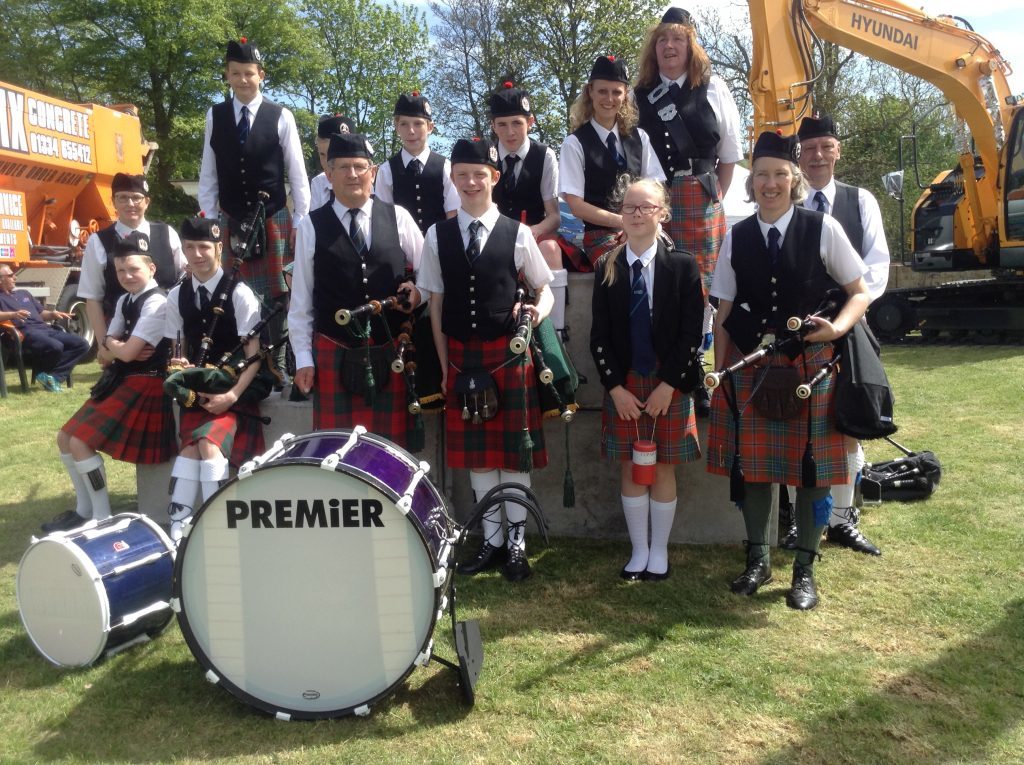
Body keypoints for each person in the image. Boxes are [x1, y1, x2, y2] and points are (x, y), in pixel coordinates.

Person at [707, 132, 870, 610]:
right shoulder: (735, 236)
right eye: (761, 175)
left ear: (794, 178)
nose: (770, 183)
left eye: (779, 174)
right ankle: (757, 559)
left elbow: (859, 290)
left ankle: (804, 569)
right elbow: (723, 311)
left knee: (814, 473)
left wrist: (836, 328)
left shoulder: (822, 227)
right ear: (750, 181)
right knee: (754, 471)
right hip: (753, 368)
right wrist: (721, 374)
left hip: (810, 366)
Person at [417, 137, 553, 582]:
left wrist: (536, 312)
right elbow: (435, 303)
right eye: (462, 175)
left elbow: (544, 287)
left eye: (479, 174)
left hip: (506, 355)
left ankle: (516, 543)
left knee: (513, 456)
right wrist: (442, 365)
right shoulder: (436, 235)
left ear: (494, 178)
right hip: (460, 356)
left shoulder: (518, 233)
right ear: (452, 180)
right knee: (479, 458)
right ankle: (491, 541)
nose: (471, 182)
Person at [590, 178, 704, 580]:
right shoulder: (609, 266)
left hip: (667, 383)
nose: (637, 214)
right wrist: (615, 389)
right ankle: (638, 551)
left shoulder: (684, 265)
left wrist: (669, 385)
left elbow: (693, 333)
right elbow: (599, 336)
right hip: (626, 384)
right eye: (629, 208)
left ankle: (660, 552)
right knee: (630, 466)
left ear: (663, 213)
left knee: (664, 467)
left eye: (646, 207)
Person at [633, 7, 744, 415]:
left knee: (704, 289)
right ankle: (667, 366)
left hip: (700, 197)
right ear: (654, 48)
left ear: (690, 46)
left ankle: (699, 370)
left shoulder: (714, 89)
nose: (669, 46)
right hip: (655, 196)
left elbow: (729, 155)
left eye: (677, 39)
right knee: (661, 283)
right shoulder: (638, 94)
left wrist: (715, 197)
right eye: (662, 39)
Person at [289, 132, 424, 446]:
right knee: (334, 452)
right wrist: (303, 359)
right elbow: (300, 302)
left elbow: (431, 278)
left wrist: (417, 293)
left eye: (360, 167)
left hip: (390, 349)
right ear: (329, 175)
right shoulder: (311, 225)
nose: (353, 174)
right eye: (343, 167)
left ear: (373, 172)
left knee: (390, 452)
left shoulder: (399, 218)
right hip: (332, 351)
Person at [797, 113, 890, 556]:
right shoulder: (785, 198)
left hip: (848, 326)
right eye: (809, 148)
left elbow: (876, 265)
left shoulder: (861, 201)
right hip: (800, 329)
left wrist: (848, 313)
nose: (817, 155)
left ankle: (841, 520)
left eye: (825, 146)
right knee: (796, 423)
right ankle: (799, 521)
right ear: (800, 154)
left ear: (837, 151)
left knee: (846, 422)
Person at [43, 234, 175, 533]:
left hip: (148, 384)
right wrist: (116, 347)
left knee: (80, 441)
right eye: (120, 271)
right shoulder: (126, 300)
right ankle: (84, 508)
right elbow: (106, 353)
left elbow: (123, 352)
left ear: (151, 268)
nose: (127, 276)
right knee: (65, 437)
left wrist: (116, 347)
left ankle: (101, 518)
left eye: (133, 269)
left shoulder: (156, 303)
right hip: (126, 378)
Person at [197, 37, 309, 383]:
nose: (243, 79)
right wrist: (210, 224)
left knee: (278, 294)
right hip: (230, 219)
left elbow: (297, 173)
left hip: (273, 218)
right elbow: (208, 173)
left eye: (249, 73)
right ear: (227, 76)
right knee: (236, 293)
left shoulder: (281, 116)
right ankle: (245, 362)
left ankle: (278, 362)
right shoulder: (215, 116)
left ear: (261, 75)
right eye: (235, 73)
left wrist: (300, 222)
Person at [163, 216, 265, 542]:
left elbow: (255, 354)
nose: (196, 255)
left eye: (204, 247)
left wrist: (232, 395)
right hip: (199, 386)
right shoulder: (176, 296)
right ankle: (178, 527)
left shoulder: (240, 293)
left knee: (207, 444)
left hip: (238, 385)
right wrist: (178, 364)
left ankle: (216, 523)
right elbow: (176, 345)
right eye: (189, 247)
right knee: (189, 450)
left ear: (218, 248)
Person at [560, 55, 666, 267]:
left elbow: (656, 188)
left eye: (616, 92)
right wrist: (623, 222)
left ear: (625, 94)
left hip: (643, 227)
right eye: (602, 91)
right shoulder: (574, 143)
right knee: (622, 264)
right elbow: (576, 206)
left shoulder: (640, 138)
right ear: (590, 91)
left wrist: (641, 224)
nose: (609, 98)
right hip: (600, 234)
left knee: (669, 263)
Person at [488, 82, 569, 337]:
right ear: (493, 125)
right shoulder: (485, 156)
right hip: (493, 234)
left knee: (551, 249)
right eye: (502, 124)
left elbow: (554, 216)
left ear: (530, 122)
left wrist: (530, 232)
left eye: (517, 123)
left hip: (535, 233)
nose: (510, 132)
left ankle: (556, 334)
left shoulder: (545, 155)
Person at [77, 172, 186, 346]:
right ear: (113, 202)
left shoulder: (168, 234)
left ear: (147, 202)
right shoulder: (98, 241)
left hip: (169, 334)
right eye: (122, 198)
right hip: (123, 337)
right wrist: (105, 345)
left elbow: (185, 277)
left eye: (136, 198)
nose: (130, 204)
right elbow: (93, 299)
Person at [373, 91, 460, 234]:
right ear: (397, 128)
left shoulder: (445, 167)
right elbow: (384, 219)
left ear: (430, 127)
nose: (411, 131)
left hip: (439, 247)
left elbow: (452, 214)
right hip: (401, 251)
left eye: (418, 124)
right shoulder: (386, 170)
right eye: (404, 124)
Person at [0, 265, 89, 392]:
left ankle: (53, 377)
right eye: (10, 275)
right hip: (23, 331)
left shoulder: (23, 293)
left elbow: (42, 314)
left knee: (82, 344)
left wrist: (53, 314)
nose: (15, 277)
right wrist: (13, 314)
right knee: (55, 346)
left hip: (45, 329)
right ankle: (48, 377)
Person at [310, 113, 356, 211]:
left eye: (333, 155)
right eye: (322, 154)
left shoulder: (362, 180)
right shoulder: (318, 183)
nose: (326, 162)